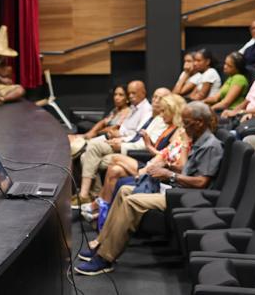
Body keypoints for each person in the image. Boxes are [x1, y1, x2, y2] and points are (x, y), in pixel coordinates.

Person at [74, 102, 224, 276]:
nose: (183, 125)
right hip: (175, 188)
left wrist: (169, 175)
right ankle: (101, 243)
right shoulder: (198, 140)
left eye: (186, 122)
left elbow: (201, 182)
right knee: (124, 191)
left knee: (132, 202)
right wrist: (167, 167)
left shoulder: (211, 146)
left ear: (199, 122)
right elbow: (188, 171)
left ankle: (105, 258)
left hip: (184, 196)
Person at [82, 93, 188, 224]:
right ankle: (103, 209)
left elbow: (168, 158)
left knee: (115, 159)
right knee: (115, 169)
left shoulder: (180, 133)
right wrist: (149, 145)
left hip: (156, 169)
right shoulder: (169, 127)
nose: (161, 114)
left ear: (173, 111)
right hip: (152, 163)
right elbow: (162, 154)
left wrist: (148, 145)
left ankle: (97, 204)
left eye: (164, 111)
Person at [77, 81, 152, 204]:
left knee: (92, 148)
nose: (131, 96)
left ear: (143, 92)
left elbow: (139, 135)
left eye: (134, 93)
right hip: (120, 139)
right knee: (86, 156)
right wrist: (117, 133)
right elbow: (124, 127)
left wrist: (121, 138)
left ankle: (84, 195)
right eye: (129, 93)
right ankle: (95, 197)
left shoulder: (146, 110)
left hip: (127, 146)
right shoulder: (134, 108)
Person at [68, 84, 132, 159]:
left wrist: (96, 133)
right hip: (100, 136)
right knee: (70, 137)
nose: (116, 97)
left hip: (109, 140)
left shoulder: (128, 112)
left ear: (127, 98)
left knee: (75, 143)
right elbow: (103, 122)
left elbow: (115, 128)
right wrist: (89, 134)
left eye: (121, 95)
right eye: (115, 94)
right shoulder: (115, 110)